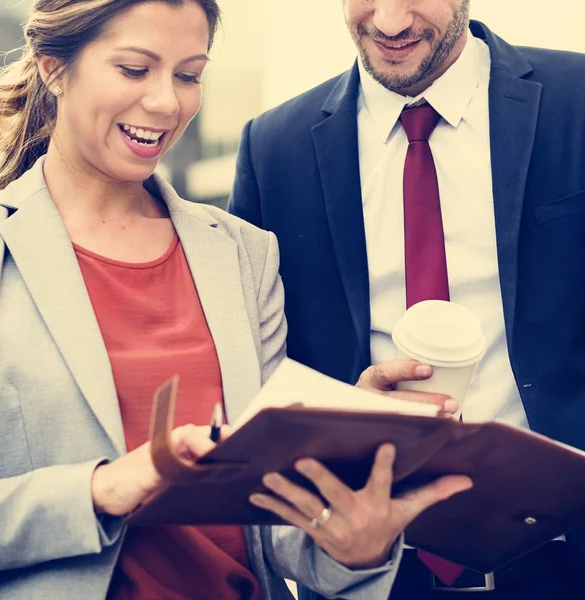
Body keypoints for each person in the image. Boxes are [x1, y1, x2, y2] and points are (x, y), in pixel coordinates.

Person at [0, 0, 474, 598]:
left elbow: (269, 526)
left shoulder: (244, 255)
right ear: (52, 69)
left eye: (188, 75)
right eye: (135, 70)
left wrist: (344, 487)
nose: (167, 102)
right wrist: (100, 488)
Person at [228, 0, 585, 599]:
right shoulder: (273, 148)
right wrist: (343, 411)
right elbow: (251, 376)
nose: (389, 22)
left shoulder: (578, 101)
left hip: (566, 558)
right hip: (370, 576)